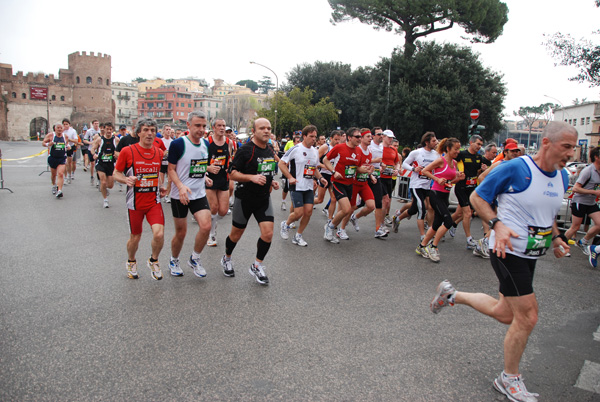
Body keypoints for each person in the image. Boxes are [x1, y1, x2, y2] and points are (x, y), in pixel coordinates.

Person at [430, 121, 575, 402]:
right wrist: (496, 224)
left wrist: (557, 238)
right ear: (546, 143)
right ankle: (508, 379)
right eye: (566, 146)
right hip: (507, 251)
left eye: (574, 147)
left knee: (505, 313)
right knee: (528, 316)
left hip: (531, 254)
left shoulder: (563, 177)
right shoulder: (517, 168)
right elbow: (477, 196)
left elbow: (548, 215)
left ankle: (451, 295)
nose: (571, 153)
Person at [221, 118, 280, 285]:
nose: (266, 131)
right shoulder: (245, 150)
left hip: (263, 199)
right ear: (253, 131)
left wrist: (271, 181)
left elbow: (266, 170)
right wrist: (251, 178)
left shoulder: (269, 149)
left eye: (268, 128)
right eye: (262, 128)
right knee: (236, 234)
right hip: (244, 198)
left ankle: (257, 265)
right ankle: (227, 258)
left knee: (268, 234)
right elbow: (232, 173)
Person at [113, 118, 167, 280]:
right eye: (145, 130)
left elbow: (157, 174)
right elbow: (116, 173)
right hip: (135, 203)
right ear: (138, 133)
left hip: (153, 201)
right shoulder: (127, 151)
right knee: (135, 237)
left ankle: (154, 260)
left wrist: (160, 187)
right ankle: (131, 261)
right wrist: (126, 180)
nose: (149, 133)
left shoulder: (158, 152)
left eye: (152, 130)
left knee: (159, 234)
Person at [166, 111, 216, 278]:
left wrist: (205, 176)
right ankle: (174, 260)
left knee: (206, 226)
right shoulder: (178, 144)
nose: (201, 129)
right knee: (181, 233)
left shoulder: (205, 144)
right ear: (188, 125)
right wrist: (180, 187)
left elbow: (198, 166)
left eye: (204, 126)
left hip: (198, 193)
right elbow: (171, 169)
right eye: (197, 126)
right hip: (179, 194)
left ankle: (195, 258)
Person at [416, 138, 464, 262]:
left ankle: (421, 247)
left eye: (459, 149)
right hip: (435, 194)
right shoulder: (440, 161)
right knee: (448, 221)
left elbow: (448, 182)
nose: (458, 151)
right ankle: (433, 247)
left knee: (437, 223)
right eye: (456, 149)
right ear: (448, 149)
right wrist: (436, 179)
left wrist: (457, 180)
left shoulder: (454, 163)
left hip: (445, 195)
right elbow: (425, 170)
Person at [279, 125, 328, 246]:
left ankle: (298, 235)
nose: (313, 139)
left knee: (308, 212)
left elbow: (314, 168)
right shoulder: (296, 149)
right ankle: (285, 224)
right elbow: (281, 163)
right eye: (311, 136)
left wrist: (320, 178)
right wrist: (290, 177)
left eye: (315, 137)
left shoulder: (315, 152)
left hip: (309, 186)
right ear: (304, 136)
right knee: (298, 213)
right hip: (296, 185)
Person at [322, 127, 365, 243]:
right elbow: (325, 160)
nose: (359, 139)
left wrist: (367, 171)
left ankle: (331, 226)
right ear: (349, 137)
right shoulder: (339, 147)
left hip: (350, 183)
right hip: (337, 182)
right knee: (346, 209)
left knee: (347, 210)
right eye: (357, 137)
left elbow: (358, 168)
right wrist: (333, 172)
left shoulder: (359, 151)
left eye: (360, 137)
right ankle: (330, 227)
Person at [393, 132, 439, 239]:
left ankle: (397, 219)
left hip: (427, 185)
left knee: (417, 209)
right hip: (416, 185)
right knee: (422, 209)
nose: (436, 143)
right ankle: (424, 235)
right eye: (433, 141)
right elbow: (404, 164)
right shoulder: (417, 153)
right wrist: (413, 169)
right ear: (427, 142)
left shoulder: (436, 154)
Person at [450, 135, 486, 249]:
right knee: (467, 214)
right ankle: (469, 239)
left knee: (458, 214)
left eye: (481, 145)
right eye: (478, 144)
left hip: (472, 188)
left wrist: (483, 170)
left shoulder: (479, 157)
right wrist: (454, 174)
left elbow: (479, 173)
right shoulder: (461, 154)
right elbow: (448, 160)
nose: (479, 147)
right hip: (461, 188)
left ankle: (447, 225)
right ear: (471, 142)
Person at [563, 146, 600, 253]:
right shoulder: (588, 171)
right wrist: (594, 192)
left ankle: (583, 241)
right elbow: (575, 188)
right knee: (575, 227)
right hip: (580, 201)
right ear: (596, 157)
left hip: (591, 202)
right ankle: (561, 245)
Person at [205, 119, 234, 247]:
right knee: (214, 207)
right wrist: (208, 168)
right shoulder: (207, 142)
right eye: (219, 126)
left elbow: (231, 158)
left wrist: (231, 168)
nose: (222, 128)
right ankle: (211, 235)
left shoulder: (229, 142)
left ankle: (213, 221)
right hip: (209, 178)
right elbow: (198, 160)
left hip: (223, 178)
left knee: (223, 210)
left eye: (224, 125)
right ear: (214, 128)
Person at [91, 122, 119, 208]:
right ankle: (105, 200)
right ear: (104, 129)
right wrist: (94, 154)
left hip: (111, 164)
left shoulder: (116, 140)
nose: (109, 131)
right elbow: (93, 148)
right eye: (107, 129)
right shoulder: (100, 139)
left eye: (110, 129)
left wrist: (117, 155)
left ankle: (104, 188)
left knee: (110, 185)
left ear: (112, 130)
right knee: (103, 182)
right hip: (101, 163)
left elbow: (120, 151)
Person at [42, 122, 70, 198]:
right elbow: (43, 143)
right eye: (58, 128)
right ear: (55, 129)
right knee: (53, 175)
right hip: (53, 158)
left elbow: (67, 144)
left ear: (63, 129)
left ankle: (59, 190)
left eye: (61, 128)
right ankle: (54, 185)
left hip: (62, 158)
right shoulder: (51, 135)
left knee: (60, 174)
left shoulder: (65, 136)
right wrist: (48, 144)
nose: (60, 129)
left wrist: (68, 146)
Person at [83, 120, 101, 184]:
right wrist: (90, 142)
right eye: (95, 123)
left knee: (97, 164)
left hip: (98, 150)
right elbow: (84, 140)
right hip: (91, 149)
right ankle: (92, 176)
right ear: (93, 124)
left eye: (97, 123)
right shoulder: (89, 131)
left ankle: (98, 179)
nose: (96, 125)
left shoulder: (100, 131)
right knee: (92, 164)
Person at [62, 118, 79, 184]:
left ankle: (70, 174)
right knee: (65, 163)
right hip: (63, 147)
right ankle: (65, 177)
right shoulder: (62, 131)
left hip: (71, 147)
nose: (65, 126)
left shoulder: (73, 131)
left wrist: (69, 140)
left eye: (66, 124)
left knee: (69, 163)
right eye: (64, 124)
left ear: (69, 124)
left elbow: (76, 140)